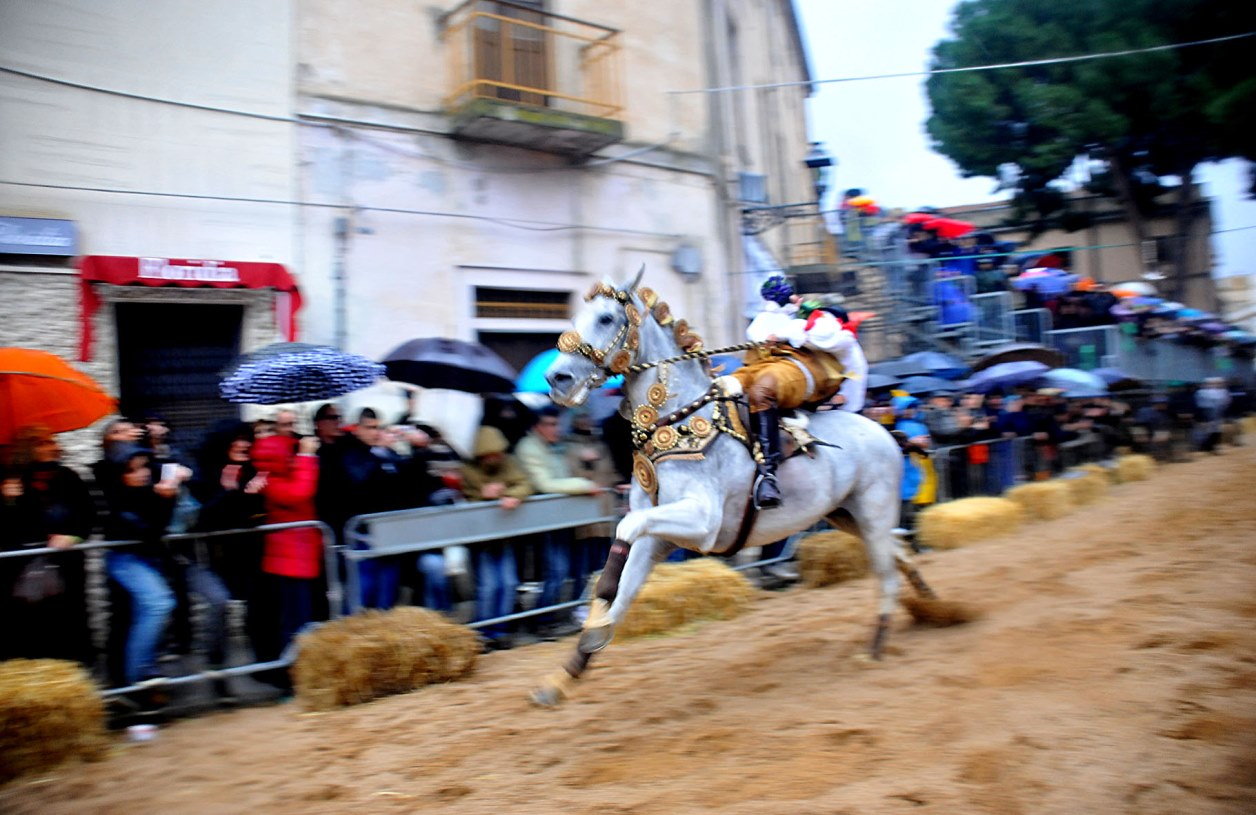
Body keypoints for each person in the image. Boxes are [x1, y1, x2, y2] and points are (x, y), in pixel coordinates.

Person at [731, 274, 848, 508]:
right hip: (761, 366)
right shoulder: (763, 321)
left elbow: (829, 336)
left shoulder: (814, 316)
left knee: (761, 391)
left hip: (800, 368)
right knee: (723, 388)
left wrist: (787, 332)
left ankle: (768, 474)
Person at [0, 426, 95, 665]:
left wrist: (73, 537)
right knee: (27, 623)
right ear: (28, 448)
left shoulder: (68, 477)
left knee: (66, 621)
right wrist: (7, 501)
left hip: (64, 564)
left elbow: (87, 516)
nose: (53, 447)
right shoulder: (11, 479)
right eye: (43, 443)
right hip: (21, 567)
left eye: (52, 441)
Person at [516, 406, 600, 635]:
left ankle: (549, 617)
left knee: (563, 570)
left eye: (557, 424)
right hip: (543, 519)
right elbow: (545, 484)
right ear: (538, 427)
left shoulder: (553, 447)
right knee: (557, 570)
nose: (557, 429)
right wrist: (584, 485)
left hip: (560, 517)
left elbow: (561, 478)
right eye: (551, 425)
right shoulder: (529, 448)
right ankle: (541, 620)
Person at [249, 433, 323, 691]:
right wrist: (306, 456)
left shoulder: (277, 477)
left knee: (302, 619)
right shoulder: (272, 481)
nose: (293, 458)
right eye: (289, 454)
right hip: (290, 562)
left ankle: (302, 673)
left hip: (298, 557)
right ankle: (292, 678)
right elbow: (300, 492)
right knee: (295, 623)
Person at [460, 426, 534, 649]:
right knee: (488, 586)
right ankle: (484, 632)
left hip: (504, 534)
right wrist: (483, 495)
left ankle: (501, 630)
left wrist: (511, 495)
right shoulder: (467, 471)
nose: (496, 458)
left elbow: (524, 483)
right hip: (481, 538)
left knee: (508, 582)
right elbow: (467, 500)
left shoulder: (508, 463)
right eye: (490, 455)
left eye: (498, 454)